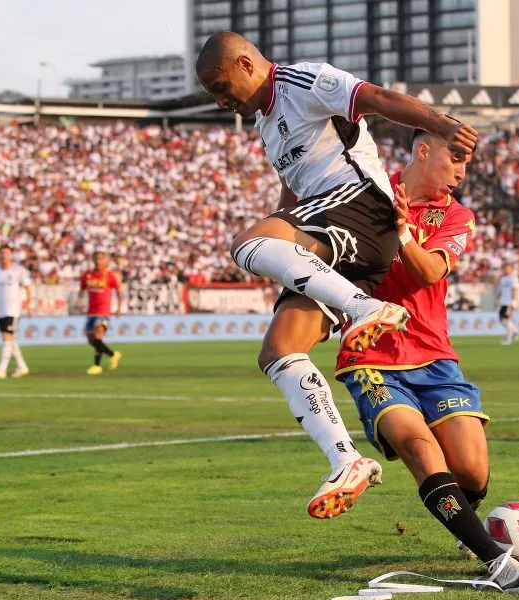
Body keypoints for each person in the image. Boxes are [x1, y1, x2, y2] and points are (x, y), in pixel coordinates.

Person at [195, 32, 479, 519]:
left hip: (359, 210)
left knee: (244, 243)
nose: (223, 102)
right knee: (279, 351)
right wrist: (288, 261)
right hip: (328, 226)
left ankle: (364, 308)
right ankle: (345, 459)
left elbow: (378, 99)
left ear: (246, 64)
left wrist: (441, 123)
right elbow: (293, 193)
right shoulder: (266, 123)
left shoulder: (303, 80)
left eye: (222, 87)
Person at [335, 129, 519, 592]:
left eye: (467, 165)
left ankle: (461, 519)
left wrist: (402, 230)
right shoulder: (368, 194)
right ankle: (495, 561)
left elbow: (428, 272)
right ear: (424, 151)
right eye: (455, 160)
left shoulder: (458, 216)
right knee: (421, 449)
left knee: (472, 471)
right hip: (371, 354)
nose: (461, 174)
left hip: (434, 356)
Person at [0, 245, 34, 379]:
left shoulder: (18, 270)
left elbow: (28, 287)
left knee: (6, 336)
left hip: (14, 309)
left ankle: (2, 369)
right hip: (1, 309)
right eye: (2, 253)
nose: (4, 255)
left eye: (7, 253)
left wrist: (30, 304)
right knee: (10, 339)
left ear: (11, 255)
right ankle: (21, 366)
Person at [76, 251, 123, 375]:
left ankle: (97, 365)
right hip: (91, 311)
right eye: (96, 259)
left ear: (106, 261)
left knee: (98, 337)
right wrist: (79, 301)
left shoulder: (109, 275)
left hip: (103, 311)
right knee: (91, 340)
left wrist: (119, 307)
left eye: (101, 259)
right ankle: (113, 354)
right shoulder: (88, 275)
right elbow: (81, 289)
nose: (98, 261)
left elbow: (119, 291)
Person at [496, 263, 519, 344]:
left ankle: (508, 339)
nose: (506, 270)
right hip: (503, 302)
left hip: (509, 302)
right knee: (502, 320)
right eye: (504, 268)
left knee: (507, 319)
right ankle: (515, 330)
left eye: (507, 268)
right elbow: (501, 290)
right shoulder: (503, 279)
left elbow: (515, 289)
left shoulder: (513, 278)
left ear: (511, 269)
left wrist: (514, 301)